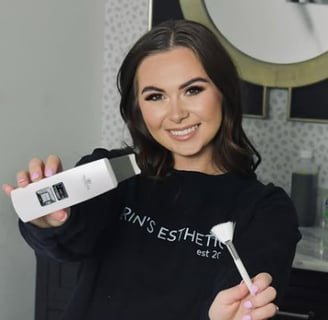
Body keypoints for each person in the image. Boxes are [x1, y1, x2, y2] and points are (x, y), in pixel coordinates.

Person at [3, 19, 301, 320]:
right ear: (139, 109)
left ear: (224, 92)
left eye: (193, 90)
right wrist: (48, 222)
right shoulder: (114, 172)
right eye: (155, 96)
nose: (177, 114)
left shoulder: (266, 210)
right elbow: (67, 243)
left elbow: (248, 298)